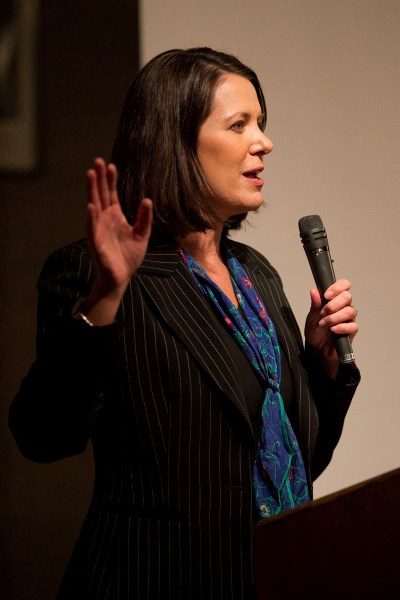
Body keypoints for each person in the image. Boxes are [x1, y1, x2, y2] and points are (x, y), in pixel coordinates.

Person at [9, 47, 360, 599]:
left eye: (261, 124)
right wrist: (106, 295)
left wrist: (320, 365)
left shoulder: (256, 277)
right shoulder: (92, 271)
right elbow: (42, 434)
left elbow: (298, 461)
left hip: (267, 577)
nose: (263, 142)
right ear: (176, 141)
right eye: (239, 124)